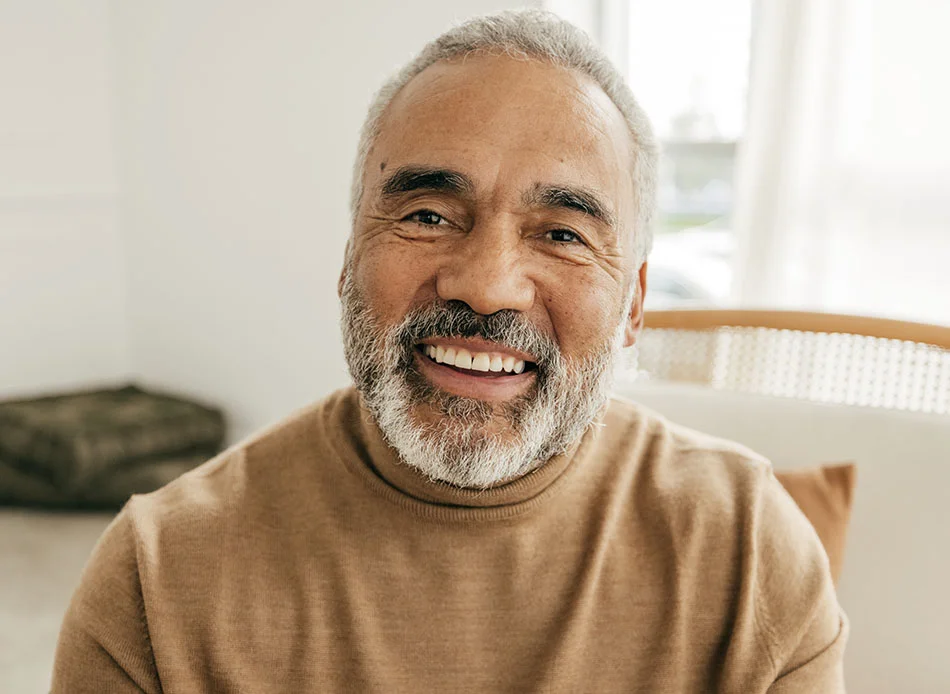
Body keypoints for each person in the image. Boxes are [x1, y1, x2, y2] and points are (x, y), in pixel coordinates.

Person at [52, 10, 847, 693]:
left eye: (563, 234)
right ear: (348, 257)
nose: (487, 286)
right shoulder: (156, 577)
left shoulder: (748, 551)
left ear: (634, 303)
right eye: (429, 215)